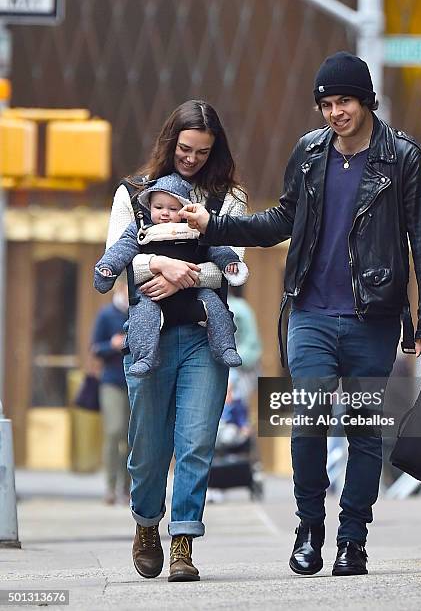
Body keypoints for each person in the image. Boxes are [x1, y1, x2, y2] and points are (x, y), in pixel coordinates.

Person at [180, 51, 421, 577]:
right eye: (326, 104)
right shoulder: (308, 153)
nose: (334, 113)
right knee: (307, 422)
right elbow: (282, 218)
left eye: (343, 101)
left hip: (374, 315)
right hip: (309, 312)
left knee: (363, 428)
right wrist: (215, 226)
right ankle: (309, 527)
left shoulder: (403, 158)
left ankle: (353, 538)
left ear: (365, 100)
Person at [106, 100, 247, 582]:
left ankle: (184, 541)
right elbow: (121, 259)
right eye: (185, 149)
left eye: (203, 152)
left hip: (204, 337)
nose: (192, 159)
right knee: (148, 445)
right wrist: (159, 265)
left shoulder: (230, 198)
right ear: (171, 143)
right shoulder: (134, 192)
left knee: (195, 442)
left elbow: (232, 270)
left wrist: (180, 274)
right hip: (152, 336)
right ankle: (147, 524)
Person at [95, 172, 248, 375]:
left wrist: (229, 263)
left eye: (173, 208)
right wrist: (108, 268)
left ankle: (225, 347)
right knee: (142, 316)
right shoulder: (141, 230)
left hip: (195, 293)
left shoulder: (194, 229)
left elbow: (216, 249)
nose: (165, 213)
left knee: (217, 309)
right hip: (153, 292)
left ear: (184, 210)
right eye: (159, 207)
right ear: (149, 207)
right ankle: (145, 357)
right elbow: (121, 250)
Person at [90, 280, 130, 505]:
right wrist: (112, 345)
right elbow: (95, 347)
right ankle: (110, 486)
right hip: (112, 381)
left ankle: (126, 487)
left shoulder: (139, 312)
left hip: (136, 381)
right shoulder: (106, 315)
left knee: (131, 437)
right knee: (114, 431)